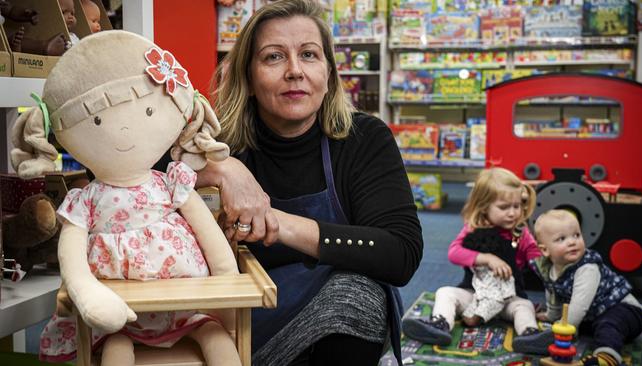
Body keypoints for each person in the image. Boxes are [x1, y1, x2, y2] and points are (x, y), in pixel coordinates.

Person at [198, 0, 423, 364]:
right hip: (243, 323)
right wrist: (224, 170)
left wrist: (277, 222)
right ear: (250, 79)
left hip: (340, 326)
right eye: (273, 57)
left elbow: (400, 252)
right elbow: (138, 173)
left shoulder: (363, 138)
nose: (294, 71)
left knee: (358, 292)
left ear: (329, 74)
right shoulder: (218, 145)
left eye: (309, 55)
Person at [11, 30, 240, 365]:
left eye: (149, 112)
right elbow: (72, 259)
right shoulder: (84, 200)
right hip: (119, 312)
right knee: (116, 348)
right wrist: (86, 293)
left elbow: (211, 239)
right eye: (99, 120)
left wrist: (226, 280)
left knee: (216, 336)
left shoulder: (171, 183)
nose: (123, 133)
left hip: (186, 305)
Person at [402, 167, 553, 354]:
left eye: (517, 206)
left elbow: (537, 261)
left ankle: (529, 335)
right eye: (504, 207)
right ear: (483, 206)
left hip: (508, 299)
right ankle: (440, 325)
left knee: (525, 305)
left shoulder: (521, 233)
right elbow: (454, 253)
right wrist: (486, 259)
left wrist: (551, 264)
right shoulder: (473, 229)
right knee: (445, 292)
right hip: (474, 295)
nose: (513, 213)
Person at [532, 210, 642, 366]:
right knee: (590, 326)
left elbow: (580, 305)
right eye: (562, 239)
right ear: (545, 250)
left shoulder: (587, 267)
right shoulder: (550, 269)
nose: (572, 242)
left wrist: (562, 328)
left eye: (577, 235)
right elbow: (553, 295)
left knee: (608, 324)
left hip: (626, 310)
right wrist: (552, 316)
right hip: (594, 315)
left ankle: (607, 356)